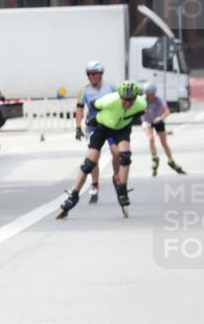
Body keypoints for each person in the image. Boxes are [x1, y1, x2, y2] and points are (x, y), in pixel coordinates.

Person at [57, 80, 145, 219]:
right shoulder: (109, 100)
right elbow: (92, 106)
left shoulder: (141, 104)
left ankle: (122, 190)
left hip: (121, 128)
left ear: (136, 98)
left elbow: (139, 113)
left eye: (131, 100)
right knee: (89, 164)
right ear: (119, 96)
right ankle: (73, 195)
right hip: (102, 127)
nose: (127, 103)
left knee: (125, 156)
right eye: (124, 100)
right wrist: (91, 120)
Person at [74, 61, 118, 204]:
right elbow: (79, 110)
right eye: (88, 74)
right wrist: (78, 127)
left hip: (110, 125)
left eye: (94, 73)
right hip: (94, 127)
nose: (91, 76)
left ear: (101, 74)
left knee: (116, 152)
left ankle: (116, 176)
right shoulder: (84, 91)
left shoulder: (111, 88)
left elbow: (120, 105)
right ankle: (94, 184)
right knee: (93, 158)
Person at [142, 83, 186, 177]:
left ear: (154, 93)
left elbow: (167, 111)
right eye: (147, 94)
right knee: (150, 139)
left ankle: (171, 160)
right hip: (147, 121)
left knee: (164, 142)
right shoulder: (142, 100)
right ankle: (155, 158)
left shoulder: (158, 100)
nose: (148, 96)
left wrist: (161, 117)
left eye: (150, 94)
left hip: (158, 120)